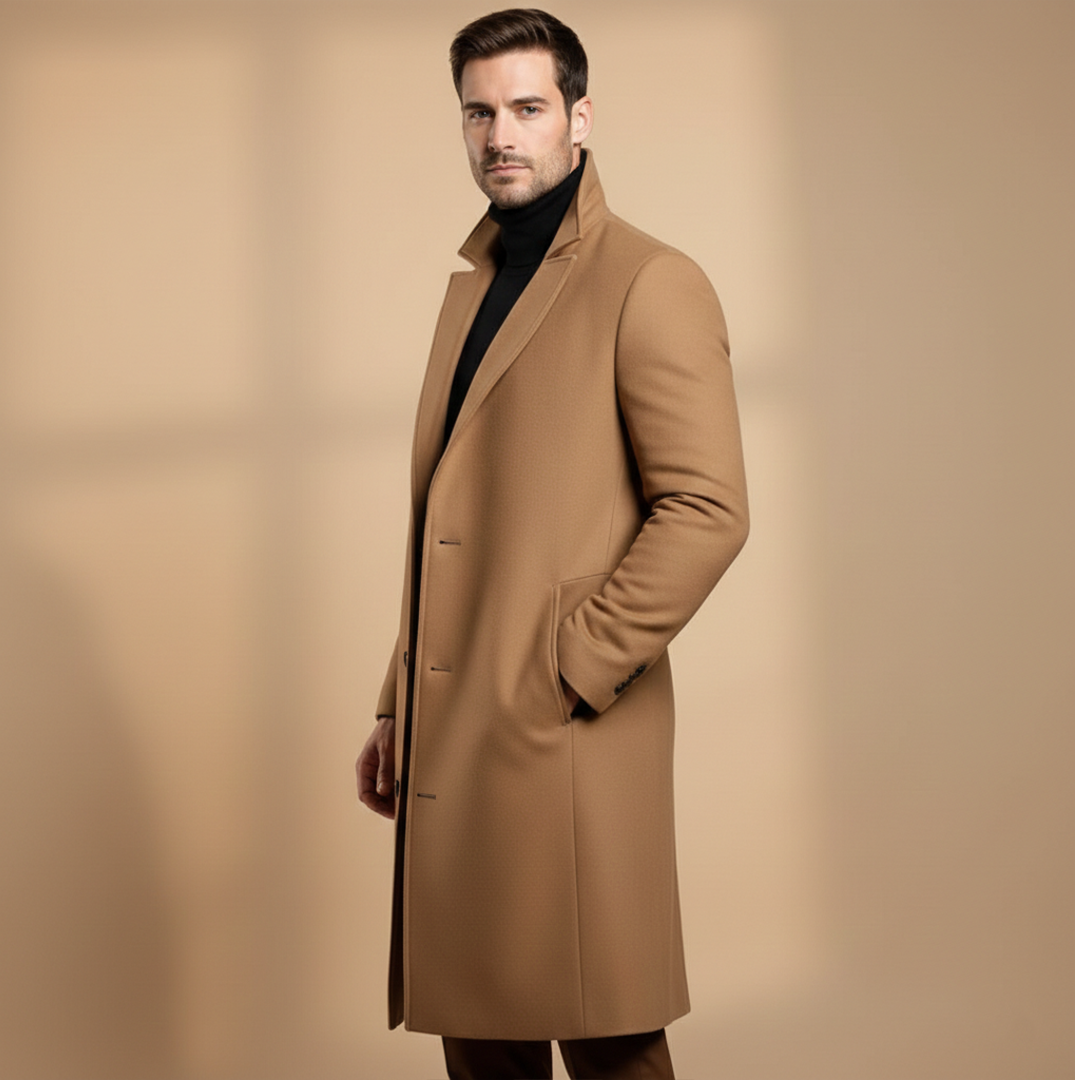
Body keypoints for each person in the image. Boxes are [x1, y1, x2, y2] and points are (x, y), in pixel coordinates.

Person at [356, 9, 748, 1079]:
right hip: (457, 722)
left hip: (564, 726)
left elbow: (708, 506)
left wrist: (573, 666)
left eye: (527, 108)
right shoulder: (477, 286)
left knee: (606, 1031)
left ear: (580, 117)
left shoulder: (650, 281)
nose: (500, 135)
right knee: (480, 1032)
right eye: (478, 112)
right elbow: (454, 523)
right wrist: (400, 701)